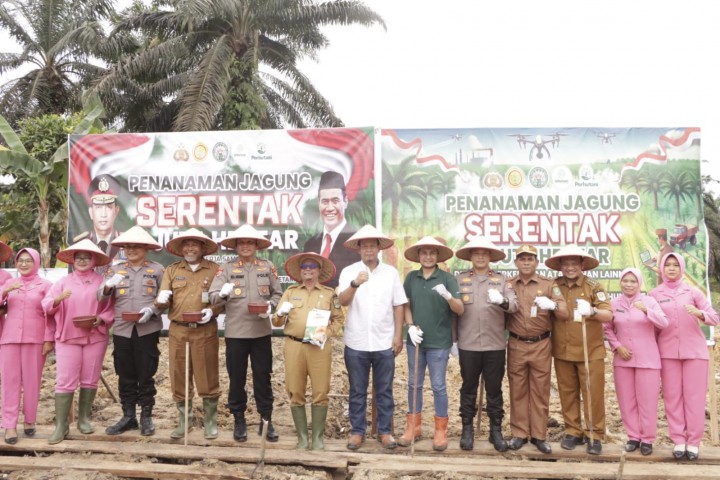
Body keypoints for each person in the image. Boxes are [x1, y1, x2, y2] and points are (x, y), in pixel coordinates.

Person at [209, 225, 282, 443]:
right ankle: (239, 419)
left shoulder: (267, 266)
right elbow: (213, 296)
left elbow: (278, 293)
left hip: (261, 332)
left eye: (250, 242)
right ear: (236, 246)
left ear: (257, 245)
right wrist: (221, 294)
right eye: (242, 243)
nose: (246, 246)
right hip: (236, 333)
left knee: (263, 376)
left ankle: (266, 420)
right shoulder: (227, 268)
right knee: (236, 378)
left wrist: (271, 306)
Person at [338, 224, 407, 450]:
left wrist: (398, 336)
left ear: (379, 248)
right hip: (356, 341)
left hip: (384, 341)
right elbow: (342, 301)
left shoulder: (390, 273)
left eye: (372, 245)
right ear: (358, 249)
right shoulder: (349, 271)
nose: (368, 250)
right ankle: (357, 432)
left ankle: (385, 431)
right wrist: (355, 284)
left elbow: (398, 305)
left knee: (384, 389)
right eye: (364, 246)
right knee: (357, 390)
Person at [41, 239, 114, 445]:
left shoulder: (101, 281)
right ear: (73, 261)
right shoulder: (63, 282)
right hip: (68, 336)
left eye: (86, 257)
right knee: (65, 380)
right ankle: (61, 424)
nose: (82, 261)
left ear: (93, 260)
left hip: (95, 335)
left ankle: (83, 419)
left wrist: (102, 319)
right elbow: (46, 304)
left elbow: (110, 306)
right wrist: (57, 300)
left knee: (90, 379)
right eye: (78, 257)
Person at [649, 253, 719, 460]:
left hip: (695, 353)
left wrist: (699, 314)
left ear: (682, 268)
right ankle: (679, 440)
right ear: (662, 268)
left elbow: (714, 318)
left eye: (675, 265)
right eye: (667, 265)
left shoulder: (693, 292)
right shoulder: (654, 294)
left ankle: (694, 442)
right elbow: (651, 326)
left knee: (694, 398)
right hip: (667, 353)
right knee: (672, 398)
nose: (671, 268)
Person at [271, 252, 344, 450]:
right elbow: (275, 321)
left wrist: (326, 332)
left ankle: (318, 438)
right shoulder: (290, 292)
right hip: (294, 346)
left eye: (312, 266)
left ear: (319, 270)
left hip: (319, 347)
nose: (308, 270)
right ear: (300, 272)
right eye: (304, 267)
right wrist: (280, 313)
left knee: (320, 390)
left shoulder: (329, 294)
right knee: (295, 390)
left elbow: (339, 320)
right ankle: (302, 438)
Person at [156, 228, 223, 440]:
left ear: (203, 248)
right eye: (186, 244)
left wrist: (211, 311)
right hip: (178, 330)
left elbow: (223, 301)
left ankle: (210, 421)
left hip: (205, 330)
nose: (190, 248)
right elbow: (162, 301)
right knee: (179, 374)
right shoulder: (172, 270)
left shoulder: (214, 270)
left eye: (195, 244)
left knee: (207, 374)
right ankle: (185, 420)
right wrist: (161, 299)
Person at [545, 244, 612, 455]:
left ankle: (594, 433)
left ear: (582, 265)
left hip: (589, 351)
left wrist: (592, 311)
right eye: (566, 263)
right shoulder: (554, 286)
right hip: (563, 350)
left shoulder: (594, 287)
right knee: (567, 393)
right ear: (560, 266)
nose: (570, 267)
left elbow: (608, 315)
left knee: (593, 394)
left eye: (574, 263)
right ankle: (573, 431)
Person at [453, 237, 518, 452]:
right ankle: (467, 430)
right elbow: (452, 311)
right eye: (476, 253)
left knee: (494, 389)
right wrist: (453, 340)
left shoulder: (501, 280)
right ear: (471, 256)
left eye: (485, 253)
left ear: (490, 257)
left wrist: (503, 301)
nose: (480, 256)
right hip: (468, 343)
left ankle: (495, 431)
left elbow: (514, 305)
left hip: (494, 345)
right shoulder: (460, 280)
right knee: (468, 388)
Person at [399, 236, 464, 452]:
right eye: (424, 253)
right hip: (415, 340)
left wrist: (448, 297)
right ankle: (413, 427)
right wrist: (410, 325)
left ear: (438, 256)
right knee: (413, 384)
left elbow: (460, 309)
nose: (428, 256)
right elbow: (405, 304)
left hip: (439, 341)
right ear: (418, 256)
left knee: (438, 386)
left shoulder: (447, 279)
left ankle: (440, 431)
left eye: (432, 253)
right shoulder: (411, 278)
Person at [99, 226, 164, 436]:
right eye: (128, 246)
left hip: (148, 328)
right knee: (124, 373)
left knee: (146, 373)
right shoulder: (115, 269)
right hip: (122, 329)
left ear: (145, 248)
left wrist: (152, 309)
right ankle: (128, 416)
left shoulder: (157, 270)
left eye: (136, 246)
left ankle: (146, 416)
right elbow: (100, 297)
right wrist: (109, 286)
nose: (131, 250)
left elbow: (166, 298)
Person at [506, 244, 568, 454]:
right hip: (516, 344)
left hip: (541, 344)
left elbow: (565, 312)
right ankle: (520, 434)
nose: (525, 262)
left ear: (536, 262)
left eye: (530, 259)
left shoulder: (549, 285)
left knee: (540, 391)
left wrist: (553, 305)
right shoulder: (508, 285)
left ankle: (540, 435)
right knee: (518, 390)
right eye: (521, 259)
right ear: (515, 262)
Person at [604, 268, 668, 456]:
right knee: (626, 400)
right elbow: (607, 328)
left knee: (647, 401)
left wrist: (647, 311)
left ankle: (647, 439)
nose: (629, 285)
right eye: (625, 281)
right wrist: (617, 346)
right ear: (620, 283)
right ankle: (633, 437)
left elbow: (664, 323)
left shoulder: (649, 302)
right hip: (623, 359)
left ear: (639, 283)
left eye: (633, 281)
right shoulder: (613, 304)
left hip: (648, 359)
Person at [0, 248, 52, 444]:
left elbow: (51, 315)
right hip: (9, 339)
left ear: (36, 262)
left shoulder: (46, 285)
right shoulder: (8, 284)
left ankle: (30, 420)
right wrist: (4, 291)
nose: (23, 264)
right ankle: (9, 426)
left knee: (32, 382)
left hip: (35, 339)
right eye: (20, 260)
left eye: (28, 260)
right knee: (9, 383)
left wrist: (48, 339)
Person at [303, 171, 360, 288]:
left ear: (345, 202)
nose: (329, 208)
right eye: (325, 201)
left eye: (335, 201)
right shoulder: (310, 244)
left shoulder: (357, 242)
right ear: (318, 203)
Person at [74, 175, 123, 260]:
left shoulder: (126, 242)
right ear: (91, 212)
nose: (103, 214)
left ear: (116, 211)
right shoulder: (80, 243)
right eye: (98, 207)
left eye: (108, 207)